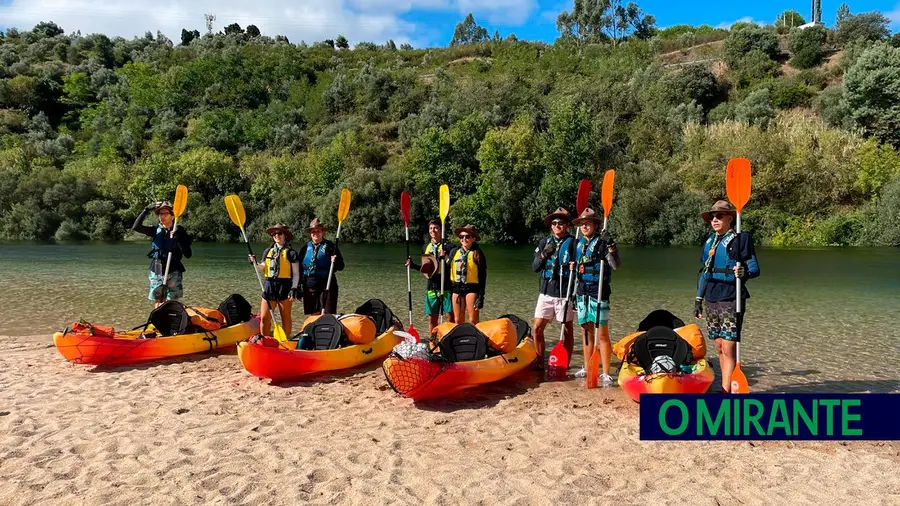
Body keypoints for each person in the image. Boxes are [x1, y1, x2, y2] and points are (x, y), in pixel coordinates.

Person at [695, 200, 760, 393]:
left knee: (729, 347)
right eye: (712, 217)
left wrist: (743, 273)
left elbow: (755, 269)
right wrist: (698, 299)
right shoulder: (709, 241)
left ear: (730, 218)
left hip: (731, 296)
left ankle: (725, 391)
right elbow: (705, 272)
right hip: (712, 297)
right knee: (718, 346)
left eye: (719, 216)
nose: (714, 219)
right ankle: (725, 385)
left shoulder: (742, 239)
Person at [571, 208, 621, 386]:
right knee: (586, 331)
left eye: (588, 223)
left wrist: (612, 246)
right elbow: (576, 270)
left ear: (595, 225)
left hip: (598, 291)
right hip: (582, 290)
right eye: (582, 224)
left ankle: (606, 372)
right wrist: (574, 293)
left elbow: (615, 265)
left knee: (602, 333)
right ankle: (586, 366)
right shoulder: (578, 244)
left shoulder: (602, 243)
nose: (584, 226)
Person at [531, 207, 577, 370]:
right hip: (546, 291)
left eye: (561, 223)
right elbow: (535, 267)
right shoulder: (544, 242)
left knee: (567, 329)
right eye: (554, 223)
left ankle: (566, 362)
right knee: (537, 328)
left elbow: (582, 265)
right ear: (551, 226)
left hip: (564, 293)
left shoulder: (573, 242)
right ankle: (539, 362)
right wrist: (544, 254)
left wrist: (575, 265)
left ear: (567, 225)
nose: (557, 225)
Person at [131, 201, 193, 308]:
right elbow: (136, 227)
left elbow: (188, 254)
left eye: (165, 213)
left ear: (173, 216)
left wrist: (178, 240)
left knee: (172, 301)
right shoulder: (155, 230)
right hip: (157, 268)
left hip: (173, 269)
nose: (162, 216)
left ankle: (171, 320)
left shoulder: (180, 231)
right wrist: (146, 210)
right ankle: (158, 321)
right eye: (160, 214)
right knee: (158, 300)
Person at [248, 224, 301, 336]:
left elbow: (296, 274)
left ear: (285, 236)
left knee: (285, 317)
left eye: (280, 233)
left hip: (285, 286)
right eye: (274, 234)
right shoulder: (268, 251)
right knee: (264, 317)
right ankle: (264, 340)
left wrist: (294, 288)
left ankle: (286, 342)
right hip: (269, 285)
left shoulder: (291, 253)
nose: (277, 235)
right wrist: (255, 263)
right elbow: (263, 268)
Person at [406, 219, 455, 332]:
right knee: (432, 318)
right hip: (431, 287)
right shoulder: (425, 247)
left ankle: (449, 339)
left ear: (441, 230)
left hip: (446, 286)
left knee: (449, 317)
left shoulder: (450, 247)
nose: (433, 230)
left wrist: (446, 257)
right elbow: (426, 270)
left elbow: (452, 267)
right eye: (431, 228)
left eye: (436, 228)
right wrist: (412, 265)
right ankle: (432, 341)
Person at [297, 218, 345, 315]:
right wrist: (298, 286)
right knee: (314, 313)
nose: (315, 233)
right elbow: (299, 269)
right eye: (313, 231)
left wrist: (334, 261)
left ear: (323, 232)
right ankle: (315, 329)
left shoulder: (331, 247)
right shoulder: (305, 248)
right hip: (310, 283)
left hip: (327, 282)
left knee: (329, 312)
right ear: (310, 233)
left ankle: (327, 329)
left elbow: (341, 266)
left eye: (318, 231)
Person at [444, 224, 487, 324]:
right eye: (461, 237)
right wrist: (442, 259)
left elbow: (483, 276)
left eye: (467, 237)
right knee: (458, 320)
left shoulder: (477, 253)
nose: (464, 239)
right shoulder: (454, 252)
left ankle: (475, 338)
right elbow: (446, 269)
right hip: (457, 288)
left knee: (473, 320)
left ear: (473, 239)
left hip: (472, 288)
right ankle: (461, 338)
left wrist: (481, 296)